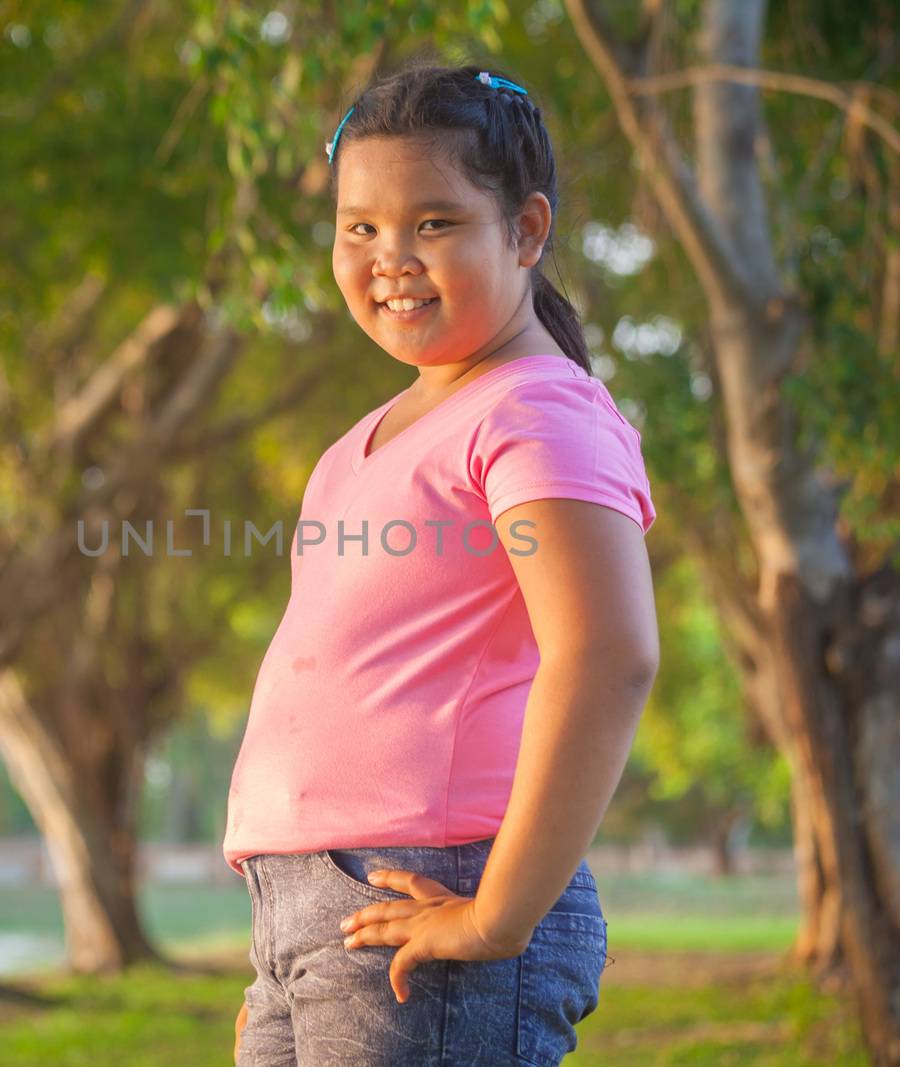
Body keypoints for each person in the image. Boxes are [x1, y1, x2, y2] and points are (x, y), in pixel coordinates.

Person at [224, 60, 659, 1066]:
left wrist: (495, 916)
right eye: (359, 226)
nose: (390, 256)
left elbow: (605, 652)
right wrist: (280, 954)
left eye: (434, 223)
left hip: (436, 891)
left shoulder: (534, 410)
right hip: (311, 918)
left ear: (526, 230)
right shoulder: (360, 443)